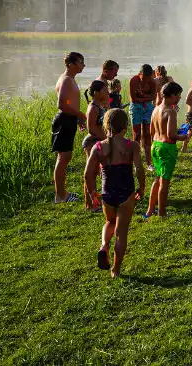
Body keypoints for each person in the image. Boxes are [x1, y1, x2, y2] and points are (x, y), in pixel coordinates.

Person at [83, 108, 145, 278]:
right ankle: (116, 270)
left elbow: (88, 174)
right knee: (122, 231)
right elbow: (139, 168)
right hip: (126, 192)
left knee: (110, 221)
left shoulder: (98, 147)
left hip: (107, 192)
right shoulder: (131, 145)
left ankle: (104, 246)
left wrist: (92, 193)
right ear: (125, 126)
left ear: (106, 125)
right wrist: (142, 187)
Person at [146, 81, 189, 218]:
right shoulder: (170, 112)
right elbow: (171, 135)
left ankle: (150, 209)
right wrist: (184, 137)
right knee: (164, 183)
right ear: (172, 95)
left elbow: (152, 131)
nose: (180, 98)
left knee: (157, 179)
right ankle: (162, 213)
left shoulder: (155, 109)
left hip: (155, 145)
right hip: (166, 148)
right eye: (178, 95)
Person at [53, 51, 87, 204]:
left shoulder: (70, 79)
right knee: (63, 157)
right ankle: (60, 196)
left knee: (65, 157)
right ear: (71, 65)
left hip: (69, 119)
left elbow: (68, 102)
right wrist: (79, 114)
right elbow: (61, 104)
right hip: (64, 120)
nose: (83, 65)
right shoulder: (66, 80)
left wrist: (77, 117)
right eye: (81, 62)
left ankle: (62, 192)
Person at [81, 80, 110, 210]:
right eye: (105, 90)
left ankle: (100, 199)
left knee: (98, 171)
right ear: (97, 93)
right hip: (92, 143)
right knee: (91, 173)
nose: (108, 92)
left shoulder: (100, 106)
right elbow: (91, 129)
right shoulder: (93, 108)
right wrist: (105, 138)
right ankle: (90, 204)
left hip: (99, 142)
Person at [129, 64, 157, 170]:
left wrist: (142, 98)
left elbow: (154, 96)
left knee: (147, 134)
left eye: (148, 79)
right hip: (136, 108)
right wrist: (146, 97)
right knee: (136, 135)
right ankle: (136, 162)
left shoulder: (153, 82)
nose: (146, 81)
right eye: (144, 79)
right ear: (139, 74)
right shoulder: (133, 81)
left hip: (148, 108)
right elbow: (133, 99)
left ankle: (149, 163)